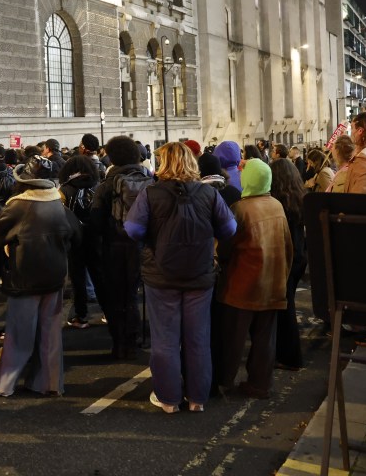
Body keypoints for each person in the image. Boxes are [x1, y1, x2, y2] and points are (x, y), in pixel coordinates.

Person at [124, 143, 236, 413]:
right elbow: (229, 228)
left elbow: (133, 230)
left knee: (165, 340)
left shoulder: (150, 194)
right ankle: (197, 398)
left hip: (161, 276)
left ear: (164, 164)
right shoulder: (208, 193)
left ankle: (168, 399)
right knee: (198, 338)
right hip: (199, 275)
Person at [0, 159, 81, 396]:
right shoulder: (59, 204)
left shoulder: (18, 206)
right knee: (50, 333)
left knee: (19, 334)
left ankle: (5, 385)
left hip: (25, 276)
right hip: (54, 275)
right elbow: (76, 234)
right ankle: (49, 383)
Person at [216, 158, 292, 398]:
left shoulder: (240, 209)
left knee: (232, 339)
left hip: (243, 285)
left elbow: (225, 248)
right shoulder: (277, 206)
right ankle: (260, 384)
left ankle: (224, 381)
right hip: (273, 284)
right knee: (264, 340)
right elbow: (288, 247)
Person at [90, 136, 152, 359]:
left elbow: (95, 221)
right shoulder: (150, 182)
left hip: (114, 246)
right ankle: (134, 340)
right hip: (141, 245)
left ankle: (119, 344)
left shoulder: (107, 185)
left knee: (116, 295)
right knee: (133, 295)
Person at [268, 159, 307, 371]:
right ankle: (287, 354)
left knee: (285, 308)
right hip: (299, 257)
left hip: (286, 258)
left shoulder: (277, 202)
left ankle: (290, 356)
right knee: (287, 305)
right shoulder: (299, 197)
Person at [57, 155, 102, 329]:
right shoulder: (98, 187)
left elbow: (61, 217)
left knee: (77, 278)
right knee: (99, 276)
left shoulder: (64, 189)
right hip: (95, 237)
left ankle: (80, 315)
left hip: (74, 240)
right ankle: (108, 312)